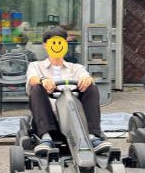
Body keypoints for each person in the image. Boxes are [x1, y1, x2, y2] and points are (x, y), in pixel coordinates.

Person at [25, 26, 110, 156]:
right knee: (36, 87)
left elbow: (86, 77)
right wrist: (43, 80)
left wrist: (87, 80)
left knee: (91, 87)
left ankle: (92, 136)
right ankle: (46, 138)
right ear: (45, 45)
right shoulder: (36, 66)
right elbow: (32, 79)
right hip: (49, 120)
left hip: (75, 119)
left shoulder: (76, 68)